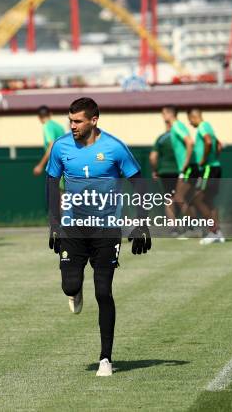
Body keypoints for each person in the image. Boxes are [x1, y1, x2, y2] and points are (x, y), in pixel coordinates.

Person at [46, 97, 151, 377]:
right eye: (70, 120)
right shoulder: (60, 146)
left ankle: (106, 358)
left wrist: (141, 223)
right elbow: (51, 183)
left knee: (103, 291)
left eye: (78, 120)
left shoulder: (115, 148)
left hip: (107, 230)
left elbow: (138, 181)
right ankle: (74, 288)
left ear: (94, 120)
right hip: (72, 228)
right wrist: (54, 223)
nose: (72, 126)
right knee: (70, 286)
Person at [187, 108, 224, 245]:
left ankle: (214, 231)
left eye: (190, 120)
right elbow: (219, 145)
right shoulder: (209, 126)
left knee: (197, 198)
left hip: (208, 169)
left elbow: (208, 142)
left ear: (194, 117)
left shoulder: (202, 127)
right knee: (209, 200)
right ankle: (217, 232)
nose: (190, 123)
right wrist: (215, 157)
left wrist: (204, 159)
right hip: (215, 167)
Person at [149, 106, 179, 222]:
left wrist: (155, 170)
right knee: (183, 198)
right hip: (182, 171)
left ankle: (174, 227)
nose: (162, 116)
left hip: (166, 172)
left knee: (169, 198)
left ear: (170, 114)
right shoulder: (183, 135)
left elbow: (153, 157)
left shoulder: (162, 138)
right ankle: (190, 226)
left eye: (164, 113)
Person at [33, 106, 65, 176]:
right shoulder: (59, 127)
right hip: (65, 165)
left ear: (39, 117)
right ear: (50, 114)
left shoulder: (47, 126)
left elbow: (51, 145)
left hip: (56, 167)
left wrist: (40, 165)